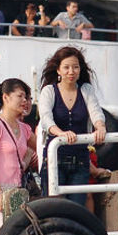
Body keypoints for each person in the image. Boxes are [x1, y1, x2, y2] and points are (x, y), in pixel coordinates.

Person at [36, 46, 107, 207]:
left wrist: (100, 127)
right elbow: (46, 119)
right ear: (58, 70)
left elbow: (96, 112)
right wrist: (60, 133)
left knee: (77, 208)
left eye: (75, 67)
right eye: (66, 67)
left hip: (80, 161)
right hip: (55, 159)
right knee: (55, 208)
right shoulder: (49, 91)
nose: (71, 71)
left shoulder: (86, 90)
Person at [0, 78, 36, 234]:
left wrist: (25, 161)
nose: (24, 100)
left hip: (16, 190)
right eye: (20, 96)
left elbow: (41, 148)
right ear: (6, 97)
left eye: (26, 97)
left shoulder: (24, 129)